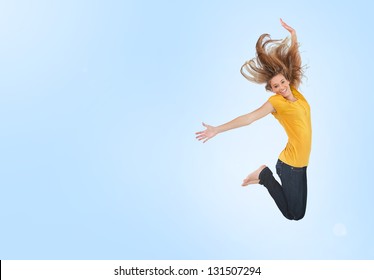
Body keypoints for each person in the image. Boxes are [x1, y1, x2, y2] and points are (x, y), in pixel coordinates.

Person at [195, 19, 312, 221]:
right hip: (289, 164)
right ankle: (264, 175)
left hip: (301, 164)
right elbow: (249, 118)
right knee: (294, 214)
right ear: (272, 89)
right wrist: (217, 129)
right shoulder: (276, 102)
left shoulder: (295, 93)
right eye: (276, 86)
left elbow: (296, 62)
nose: (281, 87)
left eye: (283, 82)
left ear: (287, 80)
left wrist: (293, 36)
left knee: (298, 213)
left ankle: (264, 176)